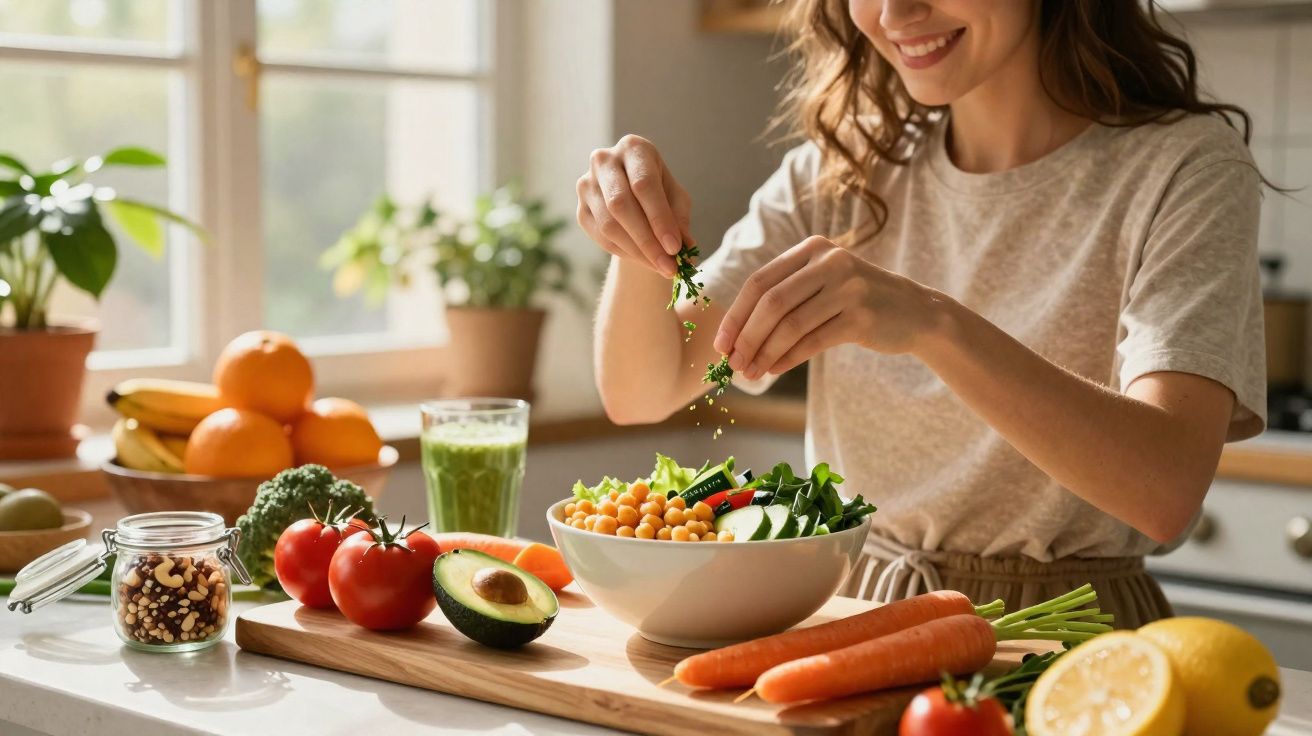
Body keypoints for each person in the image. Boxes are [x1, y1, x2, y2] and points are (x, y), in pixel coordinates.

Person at [575, 0, 1269, 627]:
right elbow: (644, 389)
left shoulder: (1184, 168)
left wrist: (934, 326)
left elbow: (1166, 489)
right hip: (848, 615)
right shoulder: (844, 168)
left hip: (1067, 639)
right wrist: (637, 246)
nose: (894, 11)